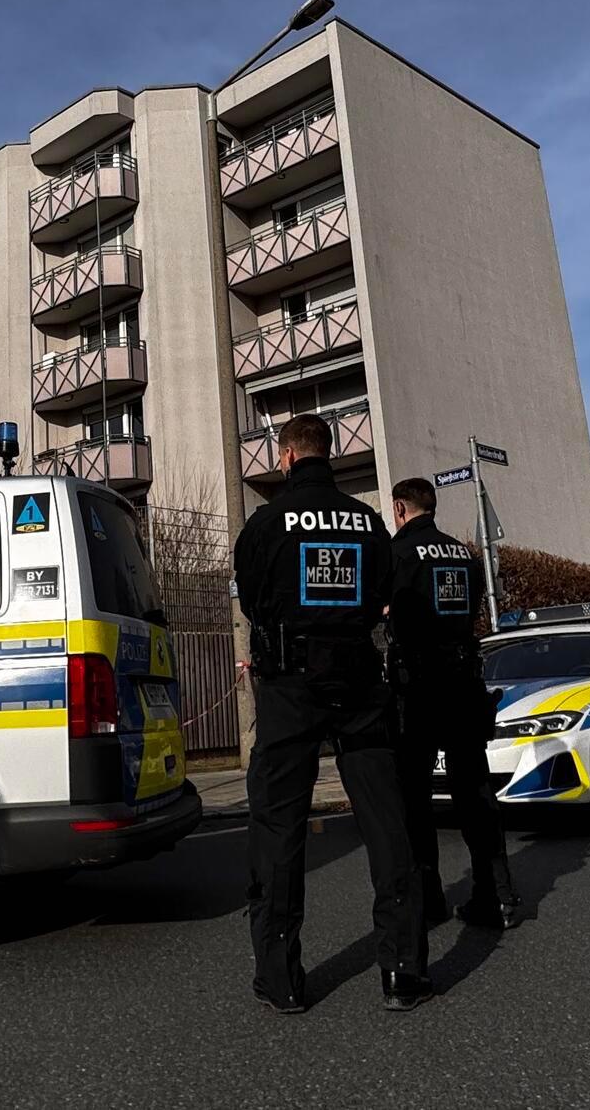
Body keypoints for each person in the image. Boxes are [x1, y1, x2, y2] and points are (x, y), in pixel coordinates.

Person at [233, 413, 430, 1013]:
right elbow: (382, 598)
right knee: (385, 822)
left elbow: (255, 600)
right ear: (331, 453)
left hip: (291, 687)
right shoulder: (368, 521)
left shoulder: (265, 522)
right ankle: (403, 970)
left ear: (287, 457)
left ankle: (282, 980)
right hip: (359, 682)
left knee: (278, 827)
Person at [386, 477, 520, 931]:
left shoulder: (400, 553)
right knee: (475, 789)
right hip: (464, 680)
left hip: (419, 686)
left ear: (400, 508)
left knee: (415, 797)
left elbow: (394, 614)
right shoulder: (464, 554)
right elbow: (472, 609)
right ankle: (498, 894)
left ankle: (428, 901)